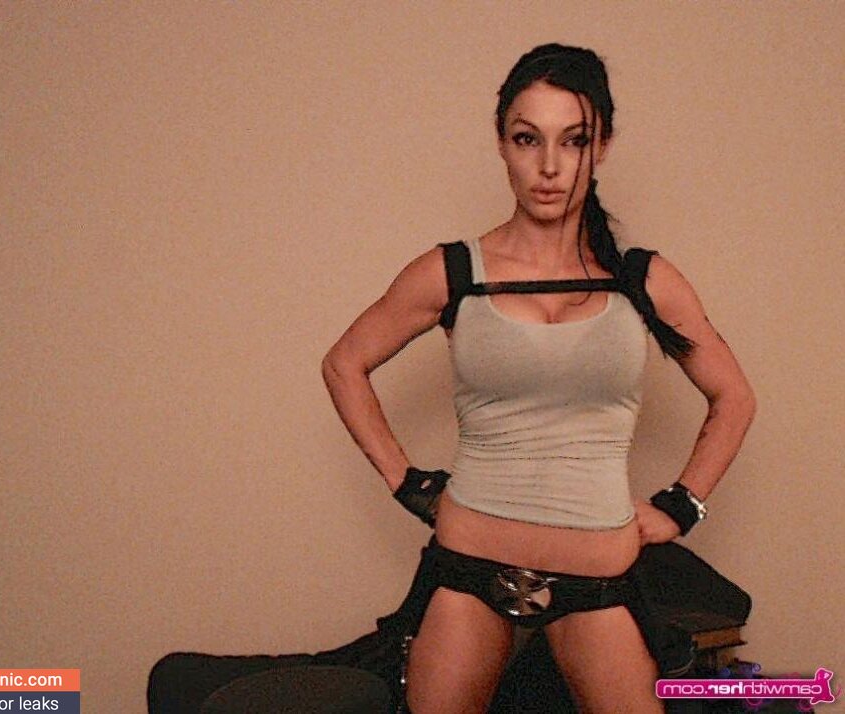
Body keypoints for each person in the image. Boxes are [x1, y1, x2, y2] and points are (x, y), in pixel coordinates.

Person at [320, 43, 757, 714]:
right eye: (528, 139)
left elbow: (735, 398)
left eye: (573, 140)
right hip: (467, 569)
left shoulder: (642, 279)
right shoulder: (453, 272)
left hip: (599, 578)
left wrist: (682, 505)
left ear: (601, 146)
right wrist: (406, 481)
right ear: (502, 144)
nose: (549, 166)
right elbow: (343, 363)